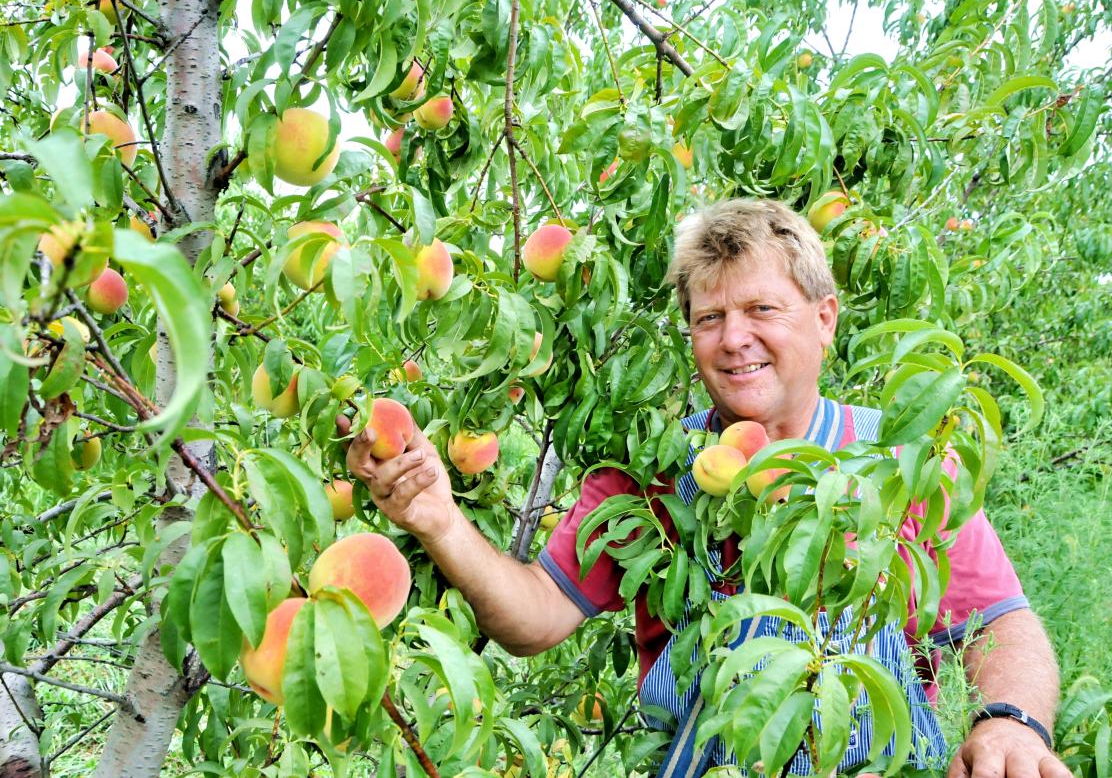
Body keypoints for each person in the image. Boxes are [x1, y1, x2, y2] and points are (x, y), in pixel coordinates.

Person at [345, 199, 1071, 777]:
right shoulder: (652, 474)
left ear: (825, 320)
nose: (733, 338)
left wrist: (1011, 720)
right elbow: (535, 616)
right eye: (709, 318)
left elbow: (1003, 623)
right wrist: (438, 519)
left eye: (761, 310)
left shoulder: (898, 460)